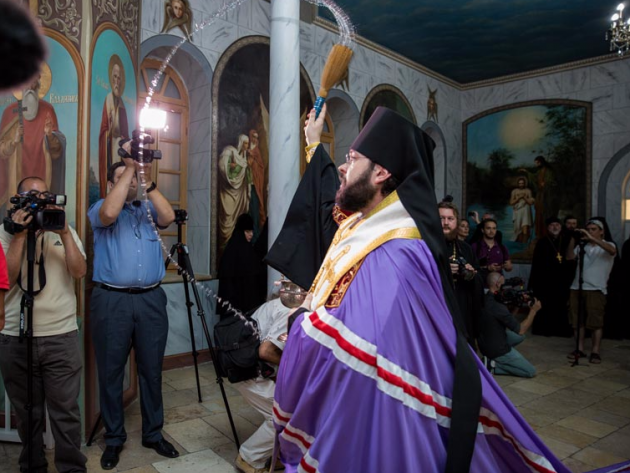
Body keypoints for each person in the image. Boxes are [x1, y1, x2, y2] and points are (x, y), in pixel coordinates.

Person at [272, 106, 587, 473]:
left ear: (381, 173)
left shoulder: (398, 251)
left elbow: (356, 345)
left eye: (352, 158)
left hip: (379, 405)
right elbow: (330, 206)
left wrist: (299, 324)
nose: (343, 167)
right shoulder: (368, 225)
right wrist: (313, 144)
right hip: (368, 399)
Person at [88, 156, 177, 470]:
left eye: (133, 178)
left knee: (151, 371)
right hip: (112, 301)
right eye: (123, 178)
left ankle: (153, 433)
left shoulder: (148, 210)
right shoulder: (99, 208)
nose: (130, 183)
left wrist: (146, 180)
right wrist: (129, 167)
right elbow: (110, 213)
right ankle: (114, 438)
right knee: (111, 372)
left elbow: (169, 216)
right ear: (111, 184)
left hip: (151, 300)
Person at [0, 176, 87, 473]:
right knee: (28, 413)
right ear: (17, 200)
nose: (39, 201)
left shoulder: (62, 229)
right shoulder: (4, 234)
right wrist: (19, 236)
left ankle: (72, 468)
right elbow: (8, 279)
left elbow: (79, 272)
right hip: (15, 335)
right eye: (31, 195)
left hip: (60, 335)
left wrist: (63, 233)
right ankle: (32, 466)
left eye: (44, 195)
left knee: (66, 412)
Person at [234, 296, 292, 473]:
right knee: (284, 417)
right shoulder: (289, 310)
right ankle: (249, 458)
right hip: (251, 374)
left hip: (250, 368)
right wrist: (295, 365)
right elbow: (266, 352)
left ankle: (278, 454)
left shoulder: (279, 302)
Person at [0, 69, 66, 215]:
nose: (30, 86)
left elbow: (57, 152)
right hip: (16, 176)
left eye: (33, 81)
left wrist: (50, 135)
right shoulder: (10, 112)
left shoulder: (48, 110)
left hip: (42, 174)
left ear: (38, 84)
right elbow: (1, 150)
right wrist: (13, 141)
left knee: (41, 214)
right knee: (17, 215)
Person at [566, 219, 617, 364]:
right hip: (577, 287)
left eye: (593, 229)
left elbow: (612, 251)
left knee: (595, 322)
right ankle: (579, 349)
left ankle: (595, 351)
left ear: (601, 231)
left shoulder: (608, 245)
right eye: (588, 229)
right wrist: (573, 239)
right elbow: (569, 257)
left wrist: (592, 238)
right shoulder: (582, 246)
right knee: (577, 321)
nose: (590, 232)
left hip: (596, 288)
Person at [478, 273, 541, 378]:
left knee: (520, 337)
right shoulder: (498, 306)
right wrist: (533, 311)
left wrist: (517, 304)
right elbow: (521, 329)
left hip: (485, 342)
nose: (506, 284)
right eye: (504, 282)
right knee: (530, 371)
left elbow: (507, 319)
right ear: (498, 284)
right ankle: (492, 366)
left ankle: (494, 359)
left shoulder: (486, 298)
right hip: (496, 349)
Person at [439, 200, 483, 344]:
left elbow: (479, 278)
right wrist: (443, 270)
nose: (446, 223)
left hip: (461, 306)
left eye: (450, 219)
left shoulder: (465, 249)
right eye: (441, 218)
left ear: (456, 222)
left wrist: (471, 274)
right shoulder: (423, 246)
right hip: (436, 308)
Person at [528, 217, 573, 337]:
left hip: (561, 280)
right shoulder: (542, 242)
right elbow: (536, 264)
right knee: (545, 305)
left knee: (560, 305)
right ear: (548, 228)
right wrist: (533, 282)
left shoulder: (566, 241)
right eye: (552, 225)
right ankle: (545, 329)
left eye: (557, 225)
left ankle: (559, 330)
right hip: (545, 281)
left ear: (561, 227)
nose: (555, 227)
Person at [218, 213, 266, 315]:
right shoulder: (236, 250)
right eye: (247, 231)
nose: (251, 234)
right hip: (237, 306)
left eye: (252, 231)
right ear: (241, 232)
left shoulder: (245, 249)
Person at [98, 54, 129, 196]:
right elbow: (104, 129)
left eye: (119, 78)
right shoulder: (108, 99)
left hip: (119, 147)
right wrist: (109, 130)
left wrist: (124, 141)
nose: (116, 81)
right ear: (111, 79)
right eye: (114, 77)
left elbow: (125, 133)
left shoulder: (122, 104)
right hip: (110, 145)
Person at [218, 134, 251, 250]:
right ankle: (224, 246)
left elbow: (248, 177)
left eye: (248, 143)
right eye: (245, 143)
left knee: (237, 218)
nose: (247, 146)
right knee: (227, 219)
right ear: (241, 143)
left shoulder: (244, 159)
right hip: (228, 192)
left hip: (240, 193)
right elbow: (222, 166)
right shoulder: (230, 151)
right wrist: (229, 166)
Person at [472, 218, 513, 283]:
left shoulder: (502, 248)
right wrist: (487, 268)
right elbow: (470, 267)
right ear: (482, 230)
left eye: (494, 228)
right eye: (488, 228)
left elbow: (509, 268)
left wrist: (509, 267)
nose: (492, 231)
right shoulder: (475, 247)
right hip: (479, 283)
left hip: (497, 284)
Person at [247, 129, 266, 236]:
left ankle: (255, 234)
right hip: (247, 184)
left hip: (255, 184)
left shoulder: (256, 151)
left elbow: (261, 167)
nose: (255, 139)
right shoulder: (248, 149)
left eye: (256, 137)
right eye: (253, 137)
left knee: (255, 209)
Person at [509, 176, 534, 243]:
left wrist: (524, 198)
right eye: (520, 183)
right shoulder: (514, 191)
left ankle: (524, 244)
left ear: (524, 183)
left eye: (522, 183)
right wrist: (519, 198)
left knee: (525, 228)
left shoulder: (528, 191)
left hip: (526, 210)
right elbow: (511, 203)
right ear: (518, 184)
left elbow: (530, 202)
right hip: (518, 211)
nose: (521, 185)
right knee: (518, 229)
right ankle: (519, 244)